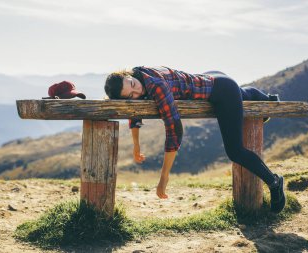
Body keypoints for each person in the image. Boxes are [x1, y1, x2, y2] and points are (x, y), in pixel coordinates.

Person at [104, 66, 285, 213]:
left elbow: (174, 128)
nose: (138, 90)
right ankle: (267, 99)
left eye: (133, 84)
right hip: (211, 78)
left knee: (235, 151)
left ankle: (275, 182)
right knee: (241, 94)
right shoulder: (137, 75)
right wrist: (136, 145)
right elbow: (135, 110)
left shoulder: (155, 86)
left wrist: (164, 177)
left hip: (222, 90)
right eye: (131, 95)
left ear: (127, 74)